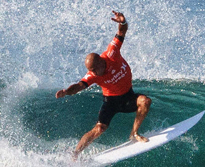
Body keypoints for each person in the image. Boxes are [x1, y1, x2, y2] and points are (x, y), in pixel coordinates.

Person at [55, 11, 152, 159]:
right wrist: (67, 91)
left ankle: (134, 133)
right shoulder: (93, 75)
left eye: (94, 69)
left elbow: (121, 32)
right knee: (99, 128)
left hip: (128, 96)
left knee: (145, 101)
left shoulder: (112, 53)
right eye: (90, 70)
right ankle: (74, 155)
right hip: (111, 102)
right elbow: (80, 85)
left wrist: (123, 22)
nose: (92, 73)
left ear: (101, 61)